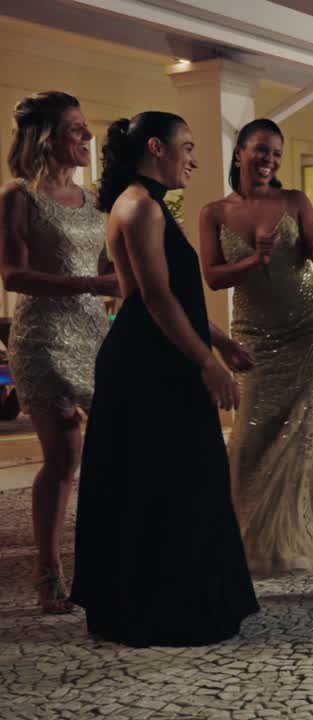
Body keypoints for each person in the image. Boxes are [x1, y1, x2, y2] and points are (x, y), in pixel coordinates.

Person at [70, 111, 259, 646]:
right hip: (150, 364)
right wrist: (207, 362)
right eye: (189, 147)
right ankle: (166, 609)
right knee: (168, 482)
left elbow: (175, 293)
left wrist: (220, 341)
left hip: (158, 352)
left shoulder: (147, 203)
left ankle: (173, 601)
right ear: (156, 146)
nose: (195, 160)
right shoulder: (139, 206)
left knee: (174, 480)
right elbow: (153, 297)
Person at [198, 118, 313, 575]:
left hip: (307, 328)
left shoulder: (294, 201)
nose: (269, 160)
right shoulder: (214, 212)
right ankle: (245, 532)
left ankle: (293, 535)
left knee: (301, 434)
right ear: (240, 151)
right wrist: (254, 260)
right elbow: (212, 275)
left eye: (277, 153)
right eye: (261, 150)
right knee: (250, 434)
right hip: (254, 334)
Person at [0, 91, 118, 614]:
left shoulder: (96, 200)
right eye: (76, 129)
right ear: (46, 137)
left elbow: (119, 267)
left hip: (94, 334)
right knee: (65, 456)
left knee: (114, 446)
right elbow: (14, 274)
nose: (88, 137)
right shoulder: (19, 197)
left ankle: (111, 557)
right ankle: (48, 571)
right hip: (42, 337)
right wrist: (92, 283)